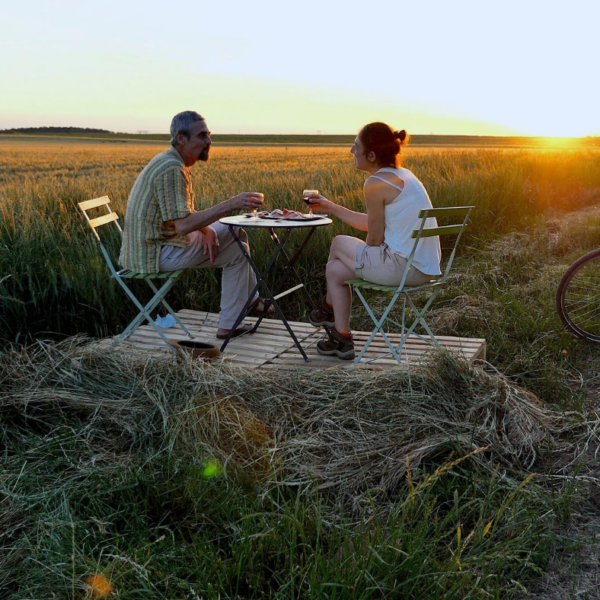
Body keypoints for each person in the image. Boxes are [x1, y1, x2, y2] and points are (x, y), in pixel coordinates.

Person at [119, 110, 270, 339]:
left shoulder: (172, 162)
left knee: (236, 236)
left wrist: (207, 229)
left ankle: (247, 305)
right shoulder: (171, 168)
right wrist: (231, 204)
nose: (209, 141)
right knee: (236, 246)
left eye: (209, 135)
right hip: (154, 253)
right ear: (181, 138)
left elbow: (181, 216)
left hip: (157, 244)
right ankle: (242, 311)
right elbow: (182, 225)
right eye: (202, 136)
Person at [306, 122, 442, 360]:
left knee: (338, 242)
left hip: (400, 269)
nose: (351, 150)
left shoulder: (375, 183)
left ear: (371, 155)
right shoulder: (404, 176)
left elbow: (375, 239)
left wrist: (362, 253)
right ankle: (341, 338)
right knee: (335, 270)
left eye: (356, 146)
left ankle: (327, 309)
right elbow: (376, 223)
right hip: (422, 268)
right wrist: (330, 207)